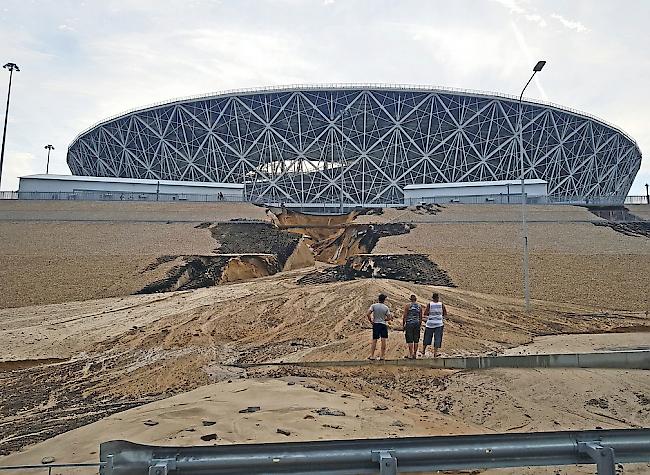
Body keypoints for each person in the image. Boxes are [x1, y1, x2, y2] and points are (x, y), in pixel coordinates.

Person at [366, 293, 392, 360]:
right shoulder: (386, 307)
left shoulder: (374, 306)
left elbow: (368, 313)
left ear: (378, 299)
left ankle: (372, 355)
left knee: (374, 340)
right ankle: (382, 356)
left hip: (376, 324)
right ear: (384, 300)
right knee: (383, 340)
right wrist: (384, 319)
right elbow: (389, 317)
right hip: (383, 324)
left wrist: (371, 321)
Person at [422, 292, 447, 357]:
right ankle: (435, 353)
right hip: (439, 324)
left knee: (427, 338)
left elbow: (425, 313)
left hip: (430, 324)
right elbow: (445, 314)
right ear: (438, 298)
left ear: (432, 298)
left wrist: (429, 316)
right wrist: (441, 318)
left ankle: (423, 351)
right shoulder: (441, 304)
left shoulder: (429, 304)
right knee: (437, 338)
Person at [402, 294, 423, 359]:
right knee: (416, 339)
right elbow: (420, 317)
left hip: (409, 323)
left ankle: (410, 354)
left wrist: (403, 324)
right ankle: (415, 354)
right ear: (416, 299)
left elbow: (405, 316)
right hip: (416, 323)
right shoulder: (419, 306)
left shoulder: (408, 306)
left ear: (410, 299)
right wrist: (419, 324)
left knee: (410, 339)